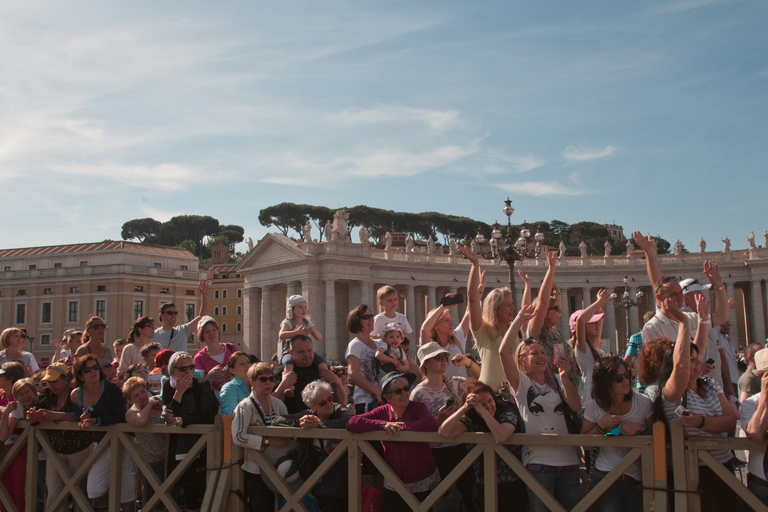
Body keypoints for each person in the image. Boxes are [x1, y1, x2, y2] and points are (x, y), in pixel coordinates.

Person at [655, 295, 737, 512]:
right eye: (692, 360)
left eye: (697, 358)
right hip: (692, 472)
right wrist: (683, 323)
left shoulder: (709, 384)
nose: (698, 361)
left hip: (723, 465)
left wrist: (702, 422)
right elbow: (681, 367)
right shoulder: (672, 393)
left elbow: (731, 422)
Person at [499, 306, 582, 512]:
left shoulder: (556, 380)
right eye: (534, 353)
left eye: (543, 352)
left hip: (569, 460)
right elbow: (503, 352)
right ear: (522, 361)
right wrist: (519, 319)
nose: (541, 356)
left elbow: (576, 406)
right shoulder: (522, 384)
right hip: (539, 461)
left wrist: (564, 377)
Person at [346, 371, 440, 512]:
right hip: (392, 479)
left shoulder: (418, 407)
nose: (404, 393)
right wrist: (383, 425)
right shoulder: (382, 411)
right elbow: (352, 422)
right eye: (398, 391)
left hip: (420, 480)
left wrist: (399, 427)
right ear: (387, 397)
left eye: (406, 389)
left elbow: (430, 424)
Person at [439, 381, 527, 510]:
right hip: (483, 482)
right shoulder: (470, 418)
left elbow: (501, 436)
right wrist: (464, 408)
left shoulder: (507, 413)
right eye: (482, 404)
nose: (489, 406)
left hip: (511, 482)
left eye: (490, 401)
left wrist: (482, 409)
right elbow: (444, 432)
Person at [581, 356, 653, 512]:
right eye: (618, 378)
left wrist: (639, 428)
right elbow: (584, 443)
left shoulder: (644, 403)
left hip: (638, 480)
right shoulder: (594, 406)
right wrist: (601, 426)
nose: (625, 380)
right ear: (606, 382)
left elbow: (658, 438)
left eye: (627, 375)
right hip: (605, 479)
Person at [410, 342, 474, 511]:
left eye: (444, 356)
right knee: (439, 499)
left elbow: (482, 379)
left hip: (460, 446)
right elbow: (415, 425)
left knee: (469, 495)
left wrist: (468, 363)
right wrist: (437, 420)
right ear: (426, 364)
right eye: (438, 357)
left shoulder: (456, 383)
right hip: (435, 453)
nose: (443, 360)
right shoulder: (418, 393)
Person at [273, 380, 353, 512]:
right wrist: (302, 423)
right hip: (318, 479)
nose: (329, 403)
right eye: (322, 403)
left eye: (330, 398)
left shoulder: (339, 409)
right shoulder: (308, 415)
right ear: (312, 407)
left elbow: (349, 421)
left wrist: (319, 424)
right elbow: (278, 420)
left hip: (343, 475)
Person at [71, 354, 137, 511]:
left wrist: (97, 420)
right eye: (87, 370)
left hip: (123, 443)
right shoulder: (76, 394)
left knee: (127, 492)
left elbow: (121, 416)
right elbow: (75, 417)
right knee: (94, 489)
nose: (93, 371)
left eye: (95, 368)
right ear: (80, 375)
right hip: (101, 444)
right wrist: (84, 419)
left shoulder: (111, 388)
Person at [27, 362, 92, 512]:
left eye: (54, 381)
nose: (51, 385)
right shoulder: (46, 395)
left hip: (79, 448)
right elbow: (37, 411)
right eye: (49, 382)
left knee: (78, 494)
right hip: (55, 450)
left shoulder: (78, 393)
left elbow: (81, 415)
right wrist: (32, 416)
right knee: (55, 494)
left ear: (66, 378)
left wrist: (53, 415)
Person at [458, 243, 520, 392]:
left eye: (512, 304)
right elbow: (472, 300)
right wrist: (475, 264)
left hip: (517, 395)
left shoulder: (518, 331)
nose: (513, 308)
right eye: (508, 305)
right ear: (495, 308)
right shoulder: (483, 330)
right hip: (491, 395)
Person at [162, 352, 218, 512]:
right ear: (172, 371)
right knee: (185, 490)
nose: (188, 372)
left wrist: (182, 421)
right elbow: (169, 414)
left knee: (200, 490)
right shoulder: (168, 386)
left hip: (201, 444)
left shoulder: (202, 385)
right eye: (182, 369)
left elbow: (206, 415)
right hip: (179, 445)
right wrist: (178, 392)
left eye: (191, 367)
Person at [232, 362, 289, 511]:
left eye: (271, 379)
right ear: (252, 382)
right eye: (263, 379)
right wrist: (268, 441)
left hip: (277, 465)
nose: (269, 382)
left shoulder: (279, 405)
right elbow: (238, 436)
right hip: (255, 467)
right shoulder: (245, 406)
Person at [123, 376, 178, 509]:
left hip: (170, 461)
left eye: (143, 392)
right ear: (130, 400)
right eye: (136, 395)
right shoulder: (131, 413)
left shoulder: (158, 403)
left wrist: (158, 406)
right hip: (150, 465)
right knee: (152, 504)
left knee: (173, 502)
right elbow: (141, 421)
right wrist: (149, 404)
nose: (142, 396)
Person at [274, 335, 346, 413]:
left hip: (321, 422)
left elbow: (342, 403)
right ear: (291, 353)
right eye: (301, 352)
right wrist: (283, 385)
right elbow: (272, 404)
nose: (306, 354)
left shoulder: (323, 370)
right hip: (293, 420)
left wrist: (337, 381)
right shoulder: (283, 372)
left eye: (309, 350)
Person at [419, 292, 481, 379]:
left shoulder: (457, 337)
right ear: (435, 325)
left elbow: (470, 309)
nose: (451, 324)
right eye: (446, 321)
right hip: (440, 391)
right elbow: (424, 330)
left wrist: (481, 285)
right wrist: (443, 307)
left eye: (451, 320)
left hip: (462, 390)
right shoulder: (430, 344)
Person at [0, 377, 38, 512]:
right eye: (21, 394)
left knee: (21, 488)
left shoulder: (43, 401)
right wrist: (6, 415)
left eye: (27, 392)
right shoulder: (17, 407)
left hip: (32, 450)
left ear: (34, 391)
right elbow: (4, 436)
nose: (25, 396)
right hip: (12, 450)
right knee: (7, 488)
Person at [572, 289, 610, 404]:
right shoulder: (583, 350)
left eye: (596, 322)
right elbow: (580, 320)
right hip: (594, 403)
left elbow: (598, 329)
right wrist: (599, 302)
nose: (596, 325)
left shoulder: (595, 349)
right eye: (592, 323)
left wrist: (599, 315)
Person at [345, 304, 384, 413]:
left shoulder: (379, 344)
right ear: (357, 321)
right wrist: (377, 392)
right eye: (366, 317)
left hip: (382, 399)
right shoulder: (356, 345)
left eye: (371, 316)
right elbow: (353, 375)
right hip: (365, 401)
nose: (371, 319)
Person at [153, 278, 209, 352]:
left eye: (175, 313)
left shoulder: (182, 331)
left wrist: (204, 295)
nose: (173, 315)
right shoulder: (154, 335)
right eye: (170, 313)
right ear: (161, 315)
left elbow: (202, 317)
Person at [740, 366, 768, 505]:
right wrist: (764, 398)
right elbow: (756, 434)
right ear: (761, 378)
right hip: (762, 483)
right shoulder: (750, 404)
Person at [278, 295, 324, 378]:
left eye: (305, 307)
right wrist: (296, 332)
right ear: (292, 309)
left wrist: (312, 330)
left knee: (321, 361)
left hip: (306, 351)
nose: (304, 310)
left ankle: (327, 379)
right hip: (289, 351)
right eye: (300, 307)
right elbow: (281, 335)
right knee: (288, 362)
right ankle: (288, 385)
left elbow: (319, 337)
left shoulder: (307, 323)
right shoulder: (287, 322)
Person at [192, 316, 235, 392]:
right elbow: (199, 386)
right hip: (215, 399)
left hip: (237, 395)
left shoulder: (231, 348)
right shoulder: (199, 358)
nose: (211, 333)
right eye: (207, 331)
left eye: (214, 330)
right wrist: (210, 375)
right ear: (202, 336)